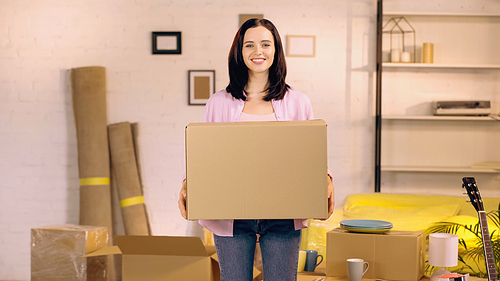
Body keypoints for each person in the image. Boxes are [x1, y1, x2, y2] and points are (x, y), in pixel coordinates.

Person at [178, 18, 334, 281]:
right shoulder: (218, 102)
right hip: (232, 216)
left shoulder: (298, 102)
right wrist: (187, 184)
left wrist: (326, 180)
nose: (258, 51)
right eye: (249, 45)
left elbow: (311, 153)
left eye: (265, 44)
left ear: (276, 50)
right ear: (239, 52)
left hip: (284, 212)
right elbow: (204, 156)